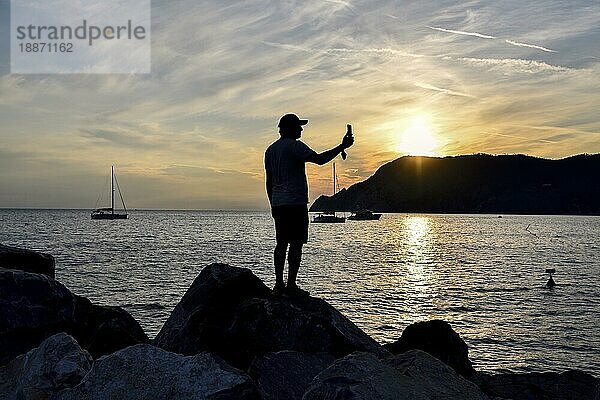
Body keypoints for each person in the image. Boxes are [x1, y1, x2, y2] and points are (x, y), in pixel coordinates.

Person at [264, 113, 355, 296]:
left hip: (279, 204)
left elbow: (269, 181)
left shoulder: (270, 150)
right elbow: (320, 160)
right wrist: (342, 146)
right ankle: (290, 286)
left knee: (281, 244)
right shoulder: (295, 146)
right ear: (289, 128)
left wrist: (272, 204)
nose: (301, 129)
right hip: (296, 203)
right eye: (298, 126)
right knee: (296, 244)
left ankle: (278, 285)